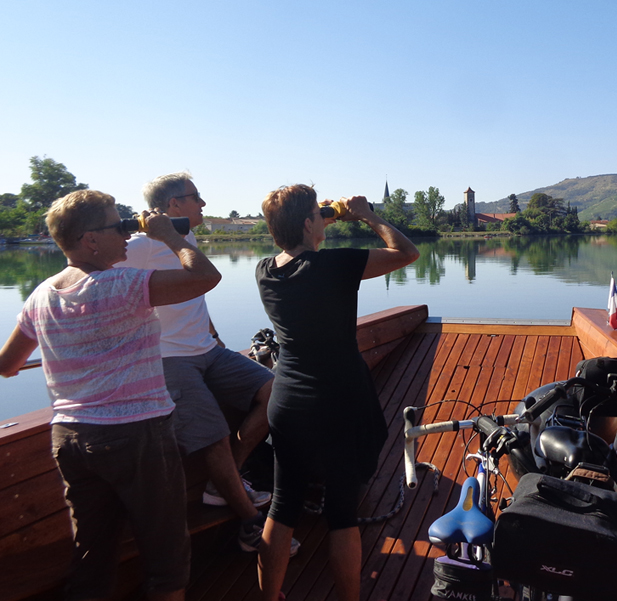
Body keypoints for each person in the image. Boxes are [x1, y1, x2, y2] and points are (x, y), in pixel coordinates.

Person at [0, 190, 222, 601]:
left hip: (70, 437)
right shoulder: (123, 283)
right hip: (137, 435)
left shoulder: (41, 295)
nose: (126, 233)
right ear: (90, 240)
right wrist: (169, 238)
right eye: (117, 225)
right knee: (167, 562)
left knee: (92, 557)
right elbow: (205, 277)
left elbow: (8, 364)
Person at [255, 186, 419, 601]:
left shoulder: (264, 270)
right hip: (338, 402)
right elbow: (406, 252)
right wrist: (366, 215)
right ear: (310, 223)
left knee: (283, 505)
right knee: (342, 515)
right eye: (317, 213)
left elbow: (299, 244)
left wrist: (322, 214)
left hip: (288, 402)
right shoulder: (335, 264)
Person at [116, 173, 284, 554]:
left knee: (278, 392)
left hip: (208, 350)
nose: (204, 204)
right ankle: (250, 526)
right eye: (196, 198)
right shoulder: (140, 245)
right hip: (168, 359)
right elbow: (95, 277)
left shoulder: (186, 237)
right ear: (173, 204)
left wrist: (212, 331)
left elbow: (195, 290)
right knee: (213, 436)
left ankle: (227, 479)